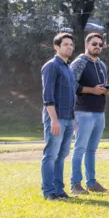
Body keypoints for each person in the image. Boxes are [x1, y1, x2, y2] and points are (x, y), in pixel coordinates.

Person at [68, 32, 109, 196]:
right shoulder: (79, 62)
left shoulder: (102, 65)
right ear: (86, 45)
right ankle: (75, 184)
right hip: (83, 111)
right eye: (94, 44)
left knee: (92, 150)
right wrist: (91, 90)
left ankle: (91, 182)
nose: (97, 47)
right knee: (80, 149)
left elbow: (100, 87)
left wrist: (105, 91)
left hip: (99, 112)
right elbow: (71, 85)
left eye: (100, 45)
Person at [40, 32, 77, 200]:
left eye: (71, 45)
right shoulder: (51, 66)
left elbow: (71, 96)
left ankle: (59, 190)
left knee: (61, 156)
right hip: (56, 118)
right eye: (66, 44)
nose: (69, 47)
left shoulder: (68, 67)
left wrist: (73, 119)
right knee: (51, 155)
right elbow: (48, 96)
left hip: (68, 118)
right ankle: (48, 192)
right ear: (56, 47)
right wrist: (54, 119)